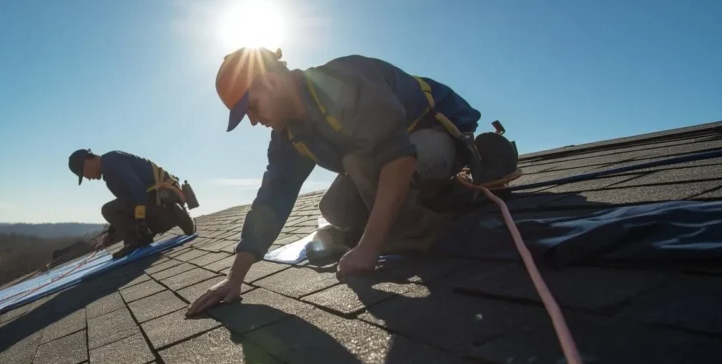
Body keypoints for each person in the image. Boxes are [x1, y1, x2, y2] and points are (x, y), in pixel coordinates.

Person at [187, 46, 502, 316]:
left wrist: (370, 246)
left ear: (271, 81)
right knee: (334, 208)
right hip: (388, 160)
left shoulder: (343, 80)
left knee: (358, 162)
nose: (253, 121)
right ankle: (436, 197)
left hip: (434, 135)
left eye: (251, 108)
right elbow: (272, 198)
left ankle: (420, 221)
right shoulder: (288, 135)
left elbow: (397, 156)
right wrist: (235, 278)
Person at [68, 149, 196, 258]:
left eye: (83, 174)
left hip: (163, 194)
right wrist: (111, 233)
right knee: (121, 213)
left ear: (85, 163)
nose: (88, 178)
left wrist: (140, 221)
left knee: (107, 209)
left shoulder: (112, 161)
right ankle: (174, 215)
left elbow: (138, 191)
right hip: (161, 197)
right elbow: (127, 203)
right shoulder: (110, 171)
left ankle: (139, 240)